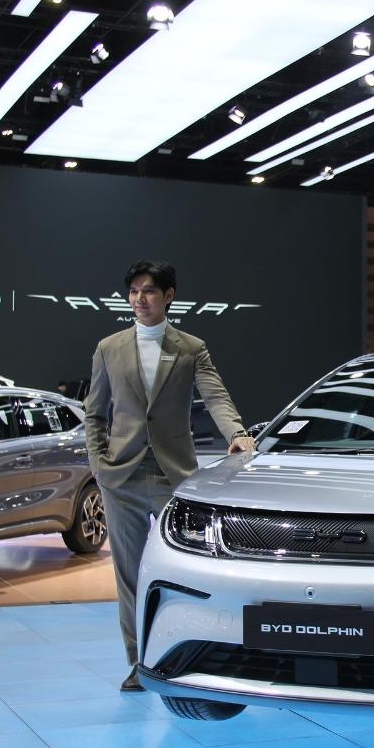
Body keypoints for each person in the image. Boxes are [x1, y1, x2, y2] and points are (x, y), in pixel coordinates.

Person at [84, 260, 255, 692]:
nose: (139, 299)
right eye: (134, 291)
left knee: (192, 569)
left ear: (169, 296)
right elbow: (94, 413)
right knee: (128, 576)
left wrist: (236, 433)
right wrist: (99, 464)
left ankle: (201, 655)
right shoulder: (109, 347)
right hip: (121, 477)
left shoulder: (191, 347)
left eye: (148, 291)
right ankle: (138, 662)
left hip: (173, 476)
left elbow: (215, 395)